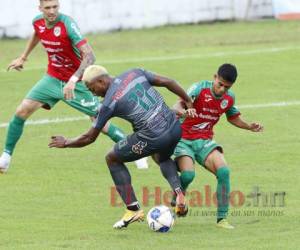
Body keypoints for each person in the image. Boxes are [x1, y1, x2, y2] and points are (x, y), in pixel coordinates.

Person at [0, 0, 148, 173]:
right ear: (40, 8)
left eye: (55, 7)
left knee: (99, 121)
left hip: (76, 83)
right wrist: (23, 57)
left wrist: (73, 79)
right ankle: (5, 159)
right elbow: (37, 34)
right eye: (47, 8)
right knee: (21, 111)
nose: (52, 11)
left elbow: (90, 56)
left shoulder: (68, 24)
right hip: (52, 79)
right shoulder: (37, 22)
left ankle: (138, 151)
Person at [49, 65, 194, 228]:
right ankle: (179, 191)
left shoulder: (109, 103)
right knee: (162, 157)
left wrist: (66, 142)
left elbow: (89, 137)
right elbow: (168, 81)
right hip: (174, 128)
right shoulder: (134, 73)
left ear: (101, 81)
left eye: (92, 88)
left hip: (153, 137)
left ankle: (133, 210)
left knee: (112, 158)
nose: (92, 93)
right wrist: (187, 100)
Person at [172, 63, 263, 229]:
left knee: (224, 171)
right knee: (188, 176)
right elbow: (177, 105)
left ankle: (222, 219)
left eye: (226, 87)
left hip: (205, 141)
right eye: (220, 84)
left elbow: (233, 117)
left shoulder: (229, 98)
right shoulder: (199, 88)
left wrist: (249, 126)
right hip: (183, 139)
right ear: (215, 77)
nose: (222, 89)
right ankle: (176, 199)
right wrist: (184, 111)